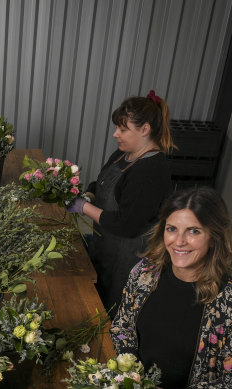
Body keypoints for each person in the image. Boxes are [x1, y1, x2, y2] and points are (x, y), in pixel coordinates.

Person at [110, 187, 232, 388]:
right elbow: (123, 325)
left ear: (213, 237)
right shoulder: (145, 272)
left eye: (194, 231)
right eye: (172, 229)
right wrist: (130, 372)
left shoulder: (227, 301)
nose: (179, 241)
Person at [67, 90, 174, 314]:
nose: (116, 134)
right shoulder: (123, 154)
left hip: (130, 259)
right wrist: (89, 195)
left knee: (116, 310)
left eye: (123, 129)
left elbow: (128, 224)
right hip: (106, 245)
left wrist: (83, 207)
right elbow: (101, 184)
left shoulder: (151, 170)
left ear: (145, 129)